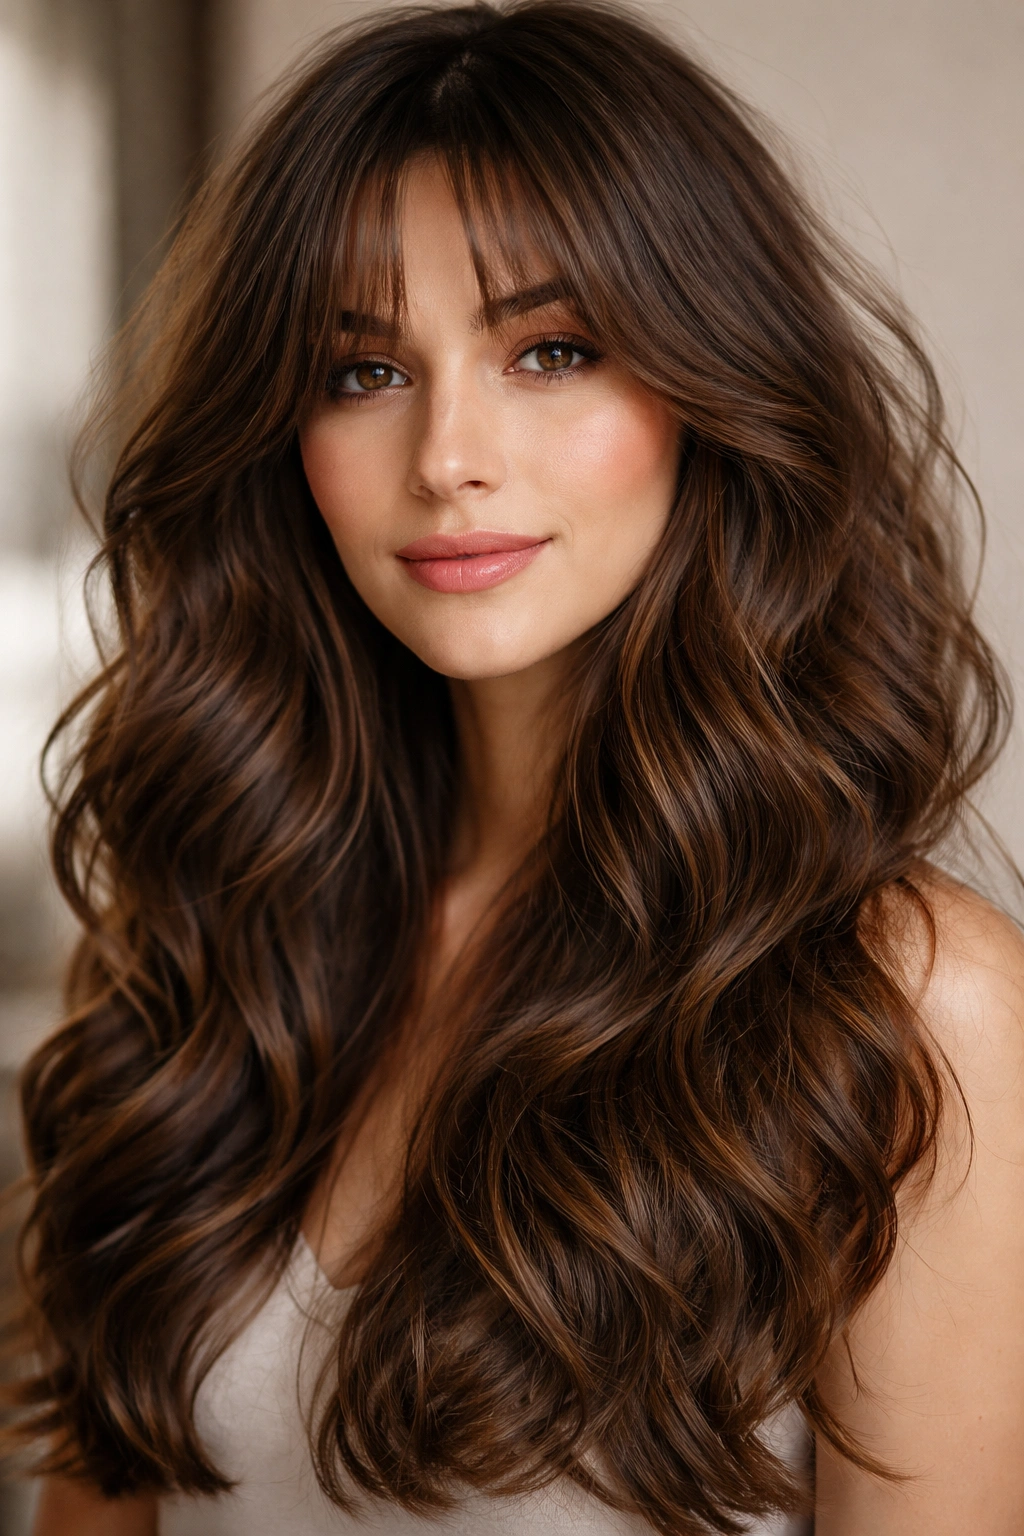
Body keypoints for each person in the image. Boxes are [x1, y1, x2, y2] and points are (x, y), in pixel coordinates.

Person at [11, 2, 1024, 1532]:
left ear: (709, 389)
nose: (447, 455)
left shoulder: (908, 1015)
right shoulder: (201, 944)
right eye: (362, 371)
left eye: (551, 349)